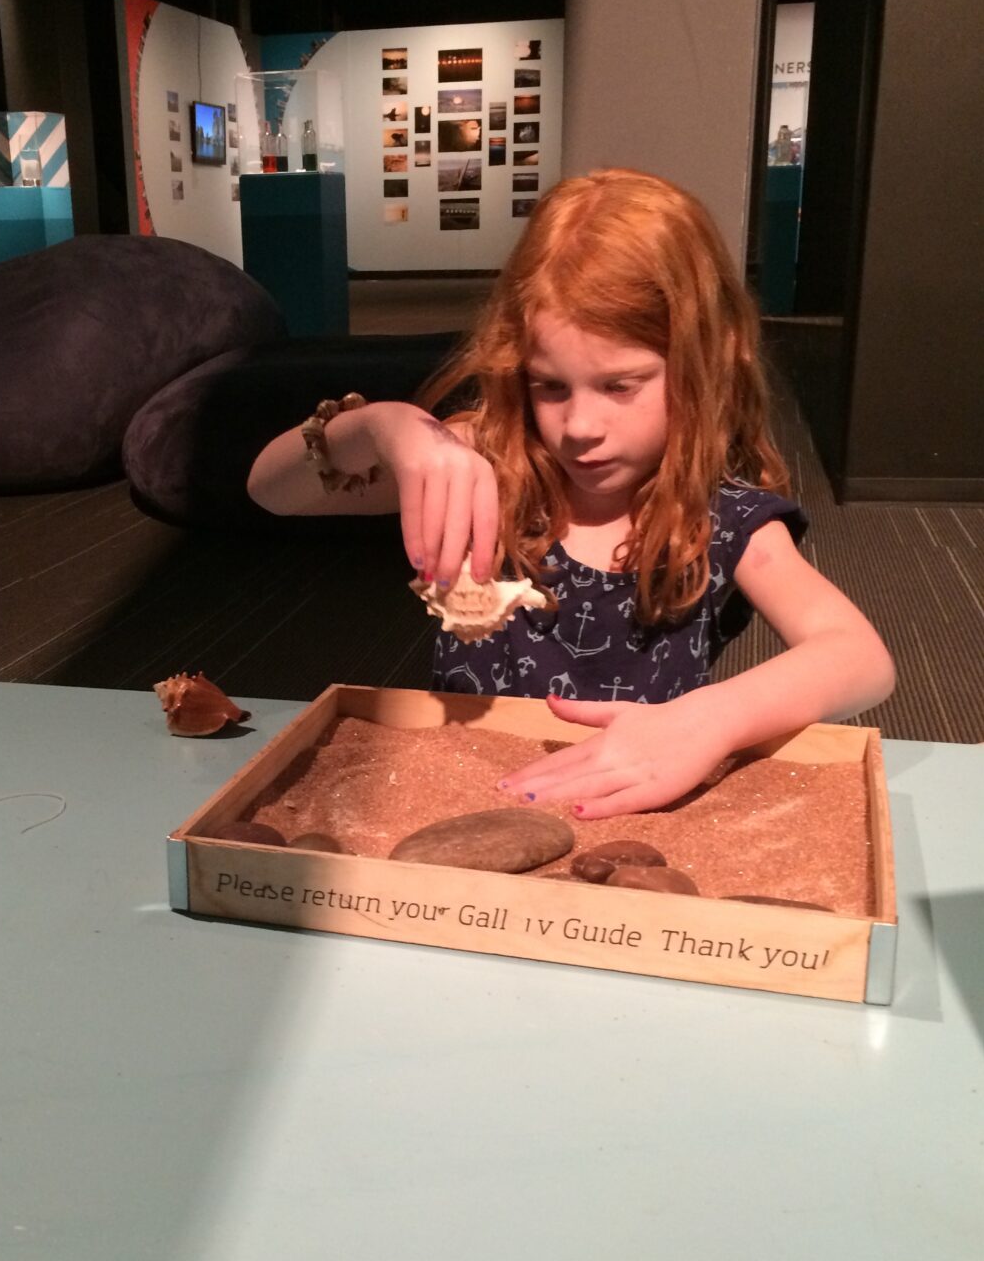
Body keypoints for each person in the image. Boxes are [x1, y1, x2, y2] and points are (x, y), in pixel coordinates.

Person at [247, 169, 895, 822]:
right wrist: (381, 428)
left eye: (620, 386)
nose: (580, 427)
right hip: (466, 797)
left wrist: (712, 719)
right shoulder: (483, 465)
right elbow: (270, 490)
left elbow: (860, 658)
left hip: (631, 808)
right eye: (551, 386)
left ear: (704, 361)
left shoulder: (721, 516)